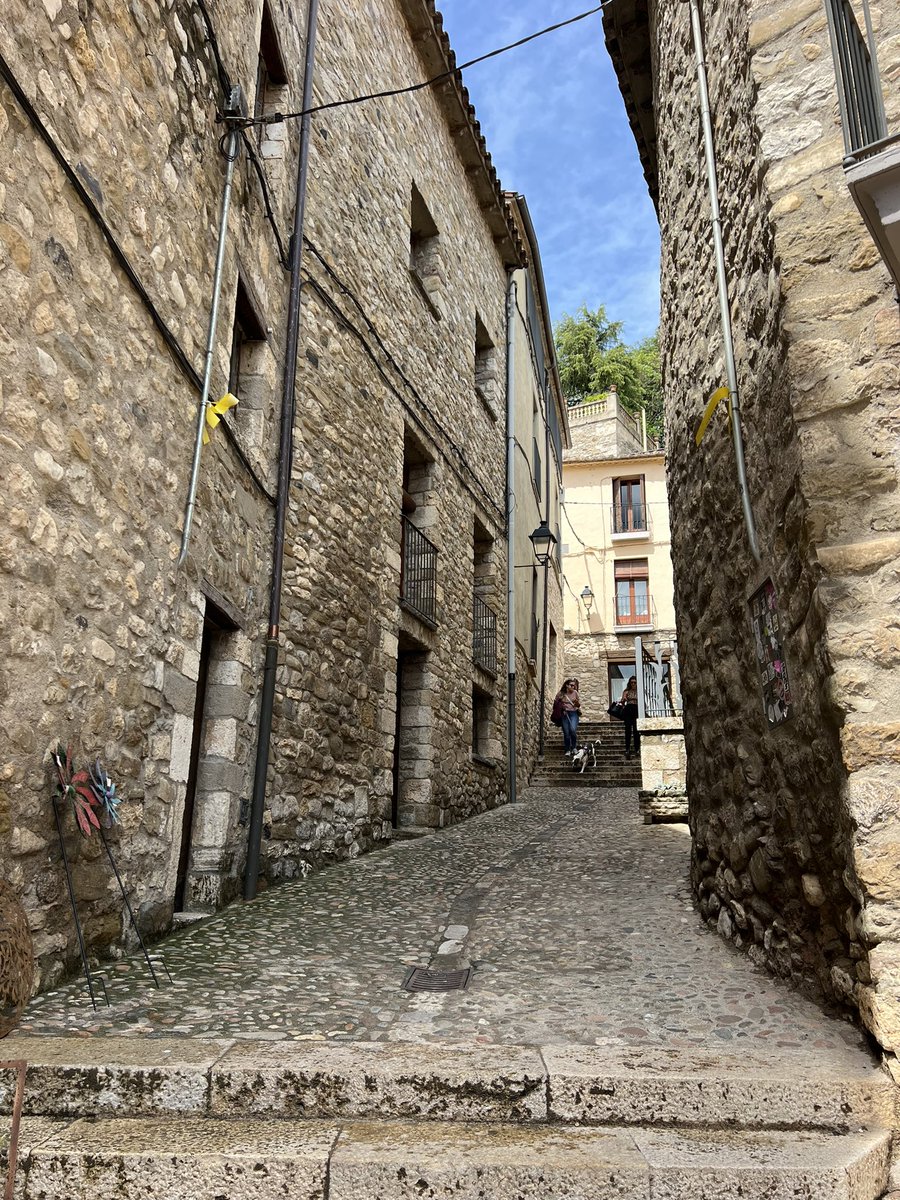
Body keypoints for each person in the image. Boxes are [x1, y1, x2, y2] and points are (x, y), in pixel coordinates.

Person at [558, 678, 581, 756]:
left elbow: (579, 705)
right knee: (566, 733)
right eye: (571, 685)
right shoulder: (561, 693)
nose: (573, 687)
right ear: (567, 685)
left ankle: (574, 747)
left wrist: (576, 702)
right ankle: (567, 749)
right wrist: (562, 707)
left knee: (572, 730)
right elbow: (556, 704)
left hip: (574, 713)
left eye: (574, 685)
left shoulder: (575, 693)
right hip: (564, 714)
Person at [622, 675, 640, 759]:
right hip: (628, 710)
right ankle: (627, 749)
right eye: (632, 682)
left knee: (636, 730)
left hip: (636, 710)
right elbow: (622, 701)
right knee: (628, 730)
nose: (633, 684)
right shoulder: (626, 691)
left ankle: (637, 749)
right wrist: (624, 699)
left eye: (635, 682)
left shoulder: (639, 691)